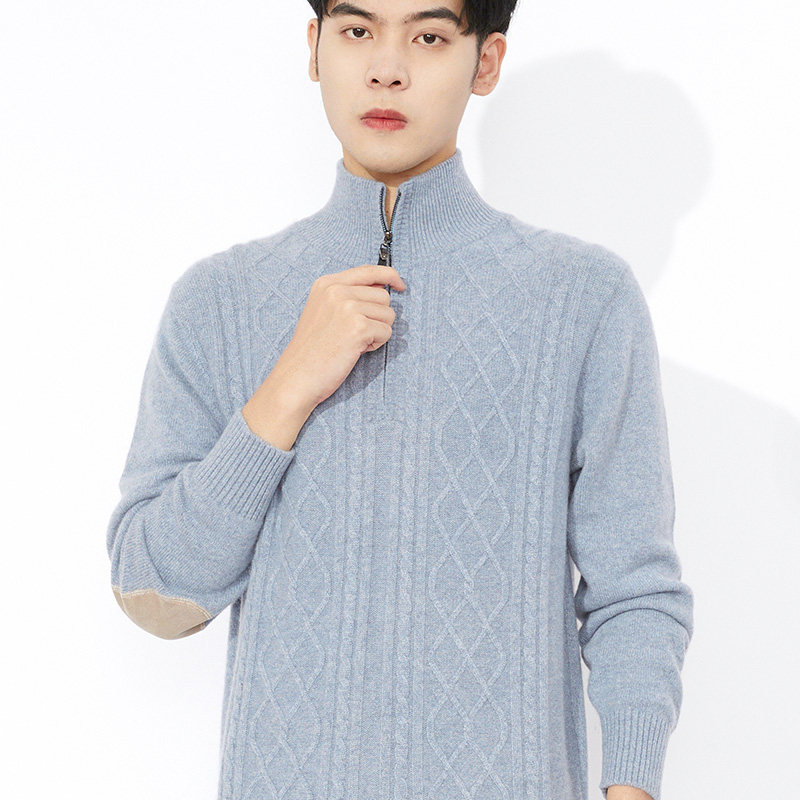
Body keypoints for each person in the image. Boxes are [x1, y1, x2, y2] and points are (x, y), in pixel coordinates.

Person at [105, 2, 694, 799]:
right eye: (357, 31)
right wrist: (288, 385)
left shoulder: (583, 299)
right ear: (314, 48)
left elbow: (635, 591)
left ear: (486, 62)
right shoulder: (218, 301)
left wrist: (631, 785)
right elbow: (155, 593)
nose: (387, 69)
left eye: (428, 37)